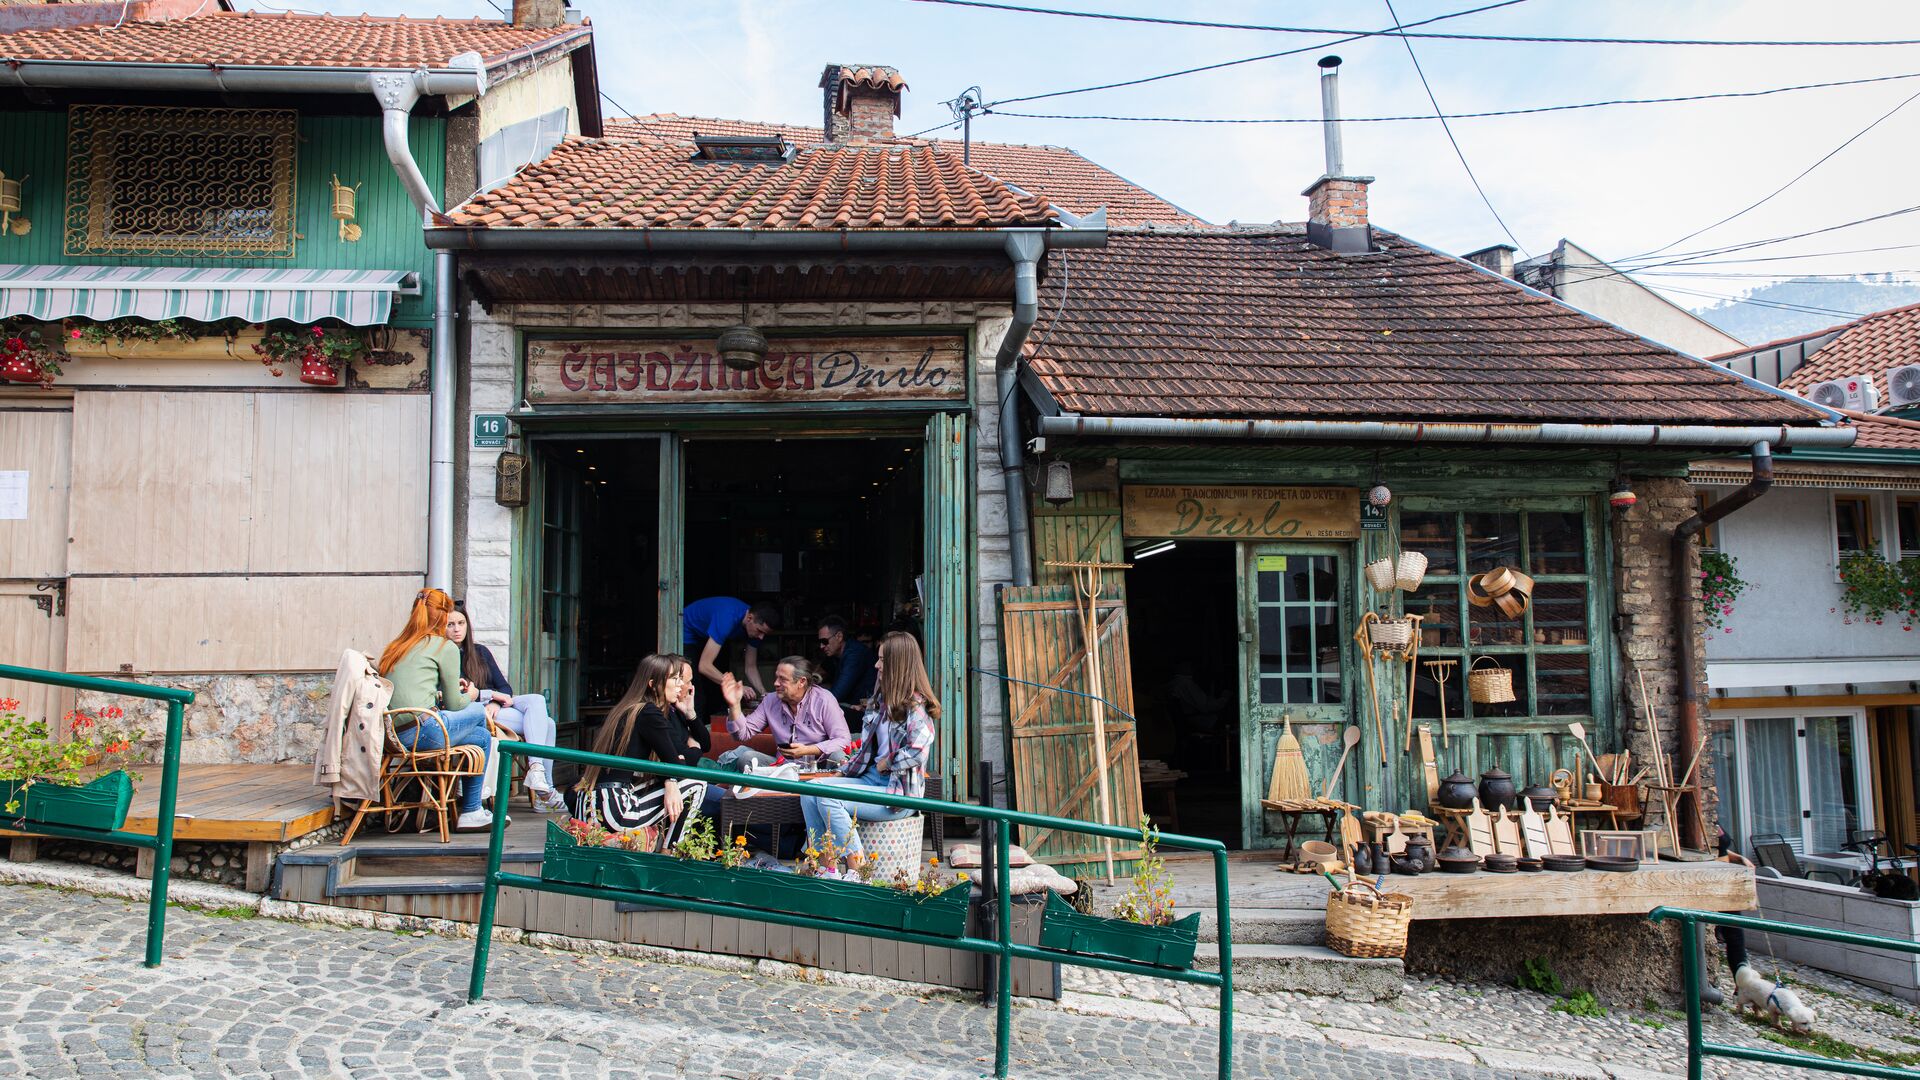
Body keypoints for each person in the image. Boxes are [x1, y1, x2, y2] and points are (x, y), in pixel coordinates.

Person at [798, 631, 938, 863]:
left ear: (897, 664)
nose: (876, 665)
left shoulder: (916, 707)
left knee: (830, 798)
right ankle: (824, 866)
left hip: (898, 792)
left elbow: (918, 751)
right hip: (870, 780)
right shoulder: (881, 702)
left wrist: (889, 761)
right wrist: (843, 770)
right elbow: (866, 752)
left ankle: (857, 869)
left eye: (882, 659)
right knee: (811, 789)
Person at [376, 588, 498, 832]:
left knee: (482, 737)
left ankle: (472, 810)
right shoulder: (444, 647)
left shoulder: (396, 645)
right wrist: (471, 695)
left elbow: (410, 690)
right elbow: (455, 705)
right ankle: (472, 801)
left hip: (393, 736)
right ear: (443, 617)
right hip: (425, 731)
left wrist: (444, 692)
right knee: (476, 711)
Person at [571, 653, 711, 847]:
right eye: (674, 678)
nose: (680, 685)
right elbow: (677, 765)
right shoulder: (649, 712)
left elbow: (672, 763)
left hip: (588, 807)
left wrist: (670, 776)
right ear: (653, 684)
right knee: (697, 783)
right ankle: (669, 855)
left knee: (673, 783)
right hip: (612, 811)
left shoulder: (629, 708)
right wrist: (672, 777)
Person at [446, 606, 565, 814]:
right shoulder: (445, 656)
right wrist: (490, 696)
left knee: (538, 705)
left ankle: (537, 771)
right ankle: (545, 793)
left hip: (495, 708)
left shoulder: (480, 651)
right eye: (450, 624)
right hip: (474, 712)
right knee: (546, 724)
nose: (457, 629)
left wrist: (495, 702)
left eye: (461, 623)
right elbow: (454, 696)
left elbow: (505, 687)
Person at [721, 656, 850, 759]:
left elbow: (843, 739)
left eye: (782, 679)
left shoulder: (824, 699)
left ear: (801, 682)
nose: (775, 683)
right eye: (776, 677)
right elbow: (742, 734)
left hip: (818, 767)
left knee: (839, 756)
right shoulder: (770, 700)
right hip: (783, 768)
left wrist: (807, 750)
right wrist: (734, 705)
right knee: (747, 758)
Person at [681, 597, 777, 735]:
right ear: (749, 618)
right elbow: (705, 666)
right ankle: (694, 739)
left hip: (706, 635)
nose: (761, 637)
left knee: (718, 691)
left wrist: (763, 693)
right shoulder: (727, 617)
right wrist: (737, 687)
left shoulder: (754, 629)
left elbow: (750, 666)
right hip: (687, 634)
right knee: (696, 693)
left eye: (765, 634)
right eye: (760, 631)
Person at [817, 615, 876, 716]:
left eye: (824, 641)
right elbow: (820, 671)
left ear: (839, 636)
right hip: (854, 706)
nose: (821, 646)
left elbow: (836, 695)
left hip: (867, 712)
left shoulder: (855, 654)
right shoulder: (836, 654)